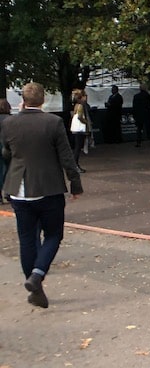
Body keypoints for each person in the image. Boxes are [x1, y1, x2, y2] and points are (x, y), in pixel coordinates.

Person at [2, 82, 83, 308]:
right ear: (43, 99)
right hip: (48, 187)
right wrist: (75, 184)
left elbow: (6, 152)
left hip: (19, 188)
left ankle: (34, 285)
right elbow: (66, 156)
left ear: (23, 100)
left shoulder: (9, 123)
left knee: (27, 238)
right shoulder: (53, 122)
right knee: (54, 234)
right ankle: (37, 275)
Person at [68, 89, 91, 172]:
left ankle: (75, 164)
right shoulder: (81, 106)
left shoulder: (76, 105)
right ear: (82, 97)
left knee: (77, 147)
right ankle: (75, 165)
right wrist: (86, 122)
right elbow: (80, 117)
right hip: (79, 129)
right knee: (78, 147)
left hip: (75, 128)